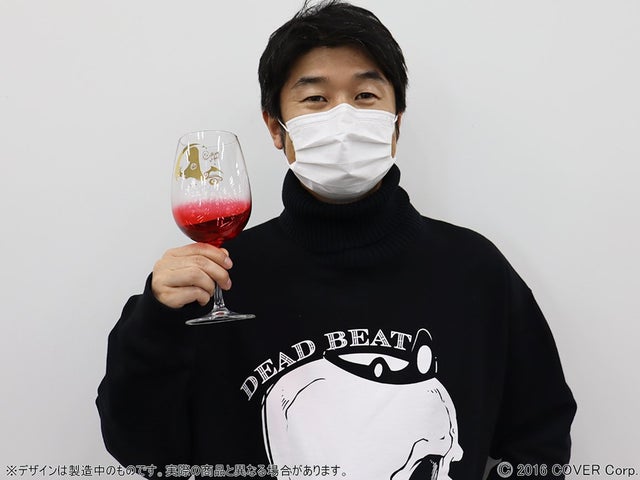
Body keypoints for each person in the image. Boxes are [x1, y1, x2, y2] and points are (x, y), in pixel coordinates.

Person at [96, 1, 577, 479]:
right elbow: (144, 450)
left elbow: (540, 436)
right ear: (275, 127)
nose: (343, 118)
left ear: (396, 122)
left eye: (365, 95)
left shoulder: (473, 270)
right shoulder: (218, 279)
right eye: (315, 99)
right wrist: (156, 319)